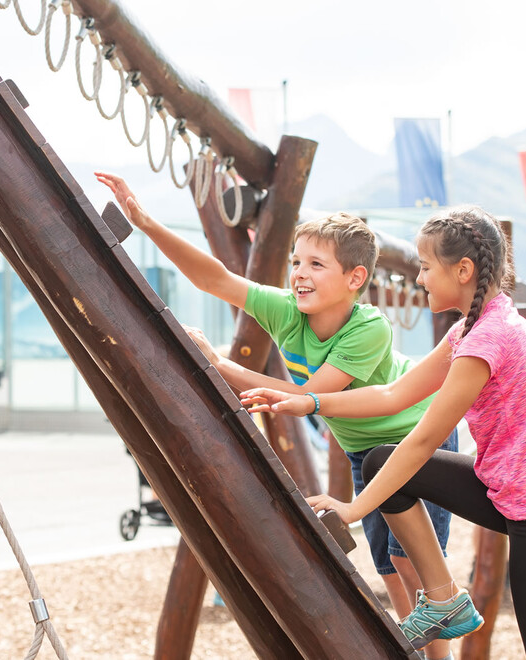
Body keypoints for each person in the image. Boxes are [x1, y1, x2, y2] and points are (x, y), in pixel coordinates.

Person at [95, 171, 458, 659]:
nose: (299, 273)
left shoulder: (368, 328)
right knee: (390, 572)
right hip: (364, 451)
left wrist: (222, 366)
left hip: (418, 440)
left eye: (316, 264)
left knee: (414, 570)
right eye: (295, 262)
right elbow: (214, 278)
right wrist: (144, 222)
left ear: (355, 279)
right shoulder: (288, 310)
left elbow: (309, 397)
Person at [241, 205, 526, 659]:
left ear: (462, 270)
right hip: (506, 492)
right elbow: (393, 395)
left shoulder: (487, 341)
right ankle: (444, 600)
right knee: (379, 461)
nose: (420, 278)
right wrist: (312, 401)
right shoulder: (469, 329)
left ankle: (446, 602)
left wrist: (351, 509)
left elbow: (424, 438)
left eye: (426, 267)